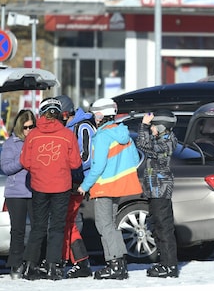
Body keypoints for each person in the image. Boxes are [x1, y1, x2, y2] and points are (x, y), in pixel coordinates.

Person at [77, 98, 142, 280]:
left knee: (104, 226)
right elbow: (135, 159)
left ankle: (114, 264)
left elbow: (97, 166)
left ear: (99, 115)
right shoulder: (123, 132)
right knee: (112, 226)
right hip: (119, 186)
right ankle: (119, 264)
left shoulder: (102, 135)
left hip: (104, 187)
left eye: (94, 114)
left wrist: (85, 186)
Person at [20, 97, 82, 280]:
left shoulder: (33, 135)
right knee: (57, 227)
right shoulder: (67, 135)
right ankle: (53, 267)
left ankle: (29, 265)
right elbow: (75, 163)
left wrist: (40, 169)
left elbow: (25, 162)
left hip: (39, 186)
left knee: (38, 227)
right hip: (61, 186)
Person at [135, 109, 180, 277]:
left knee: (164, 229)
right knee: (157, 228)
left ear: (162, 127)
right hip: (154, 190)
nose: (151, 129)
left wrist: (143, 126)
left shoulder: (167, 142)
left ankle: (170, 266)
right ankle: (164, 263)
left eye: (154, 127)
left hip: (161, 189)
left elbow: (143, 144)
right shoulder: (162, 139)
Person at [56, 95, 96, 278]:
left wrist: (66, 165)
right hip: (68, 179)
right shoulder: (67, 127)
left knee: (67, 220)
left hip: (78, 181)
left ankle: (81, 261)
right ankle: (68, 259)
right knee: (65, 221)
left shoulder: (83, 126)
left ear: (65, 113)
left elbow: (87, 157)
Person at [0, 109, 36, 279]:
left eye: (32, 127)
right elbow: (6, 168)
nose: (29, 130)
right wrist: (22, 159)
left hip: (36, 190)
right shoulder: (11, 143)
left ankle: (33, 262)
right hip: (16, 192)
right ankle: (16, 264)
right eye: (26, 127)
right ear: (19, 127)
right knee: (18, 230)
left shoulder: (37, 141)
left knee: (38, 229)